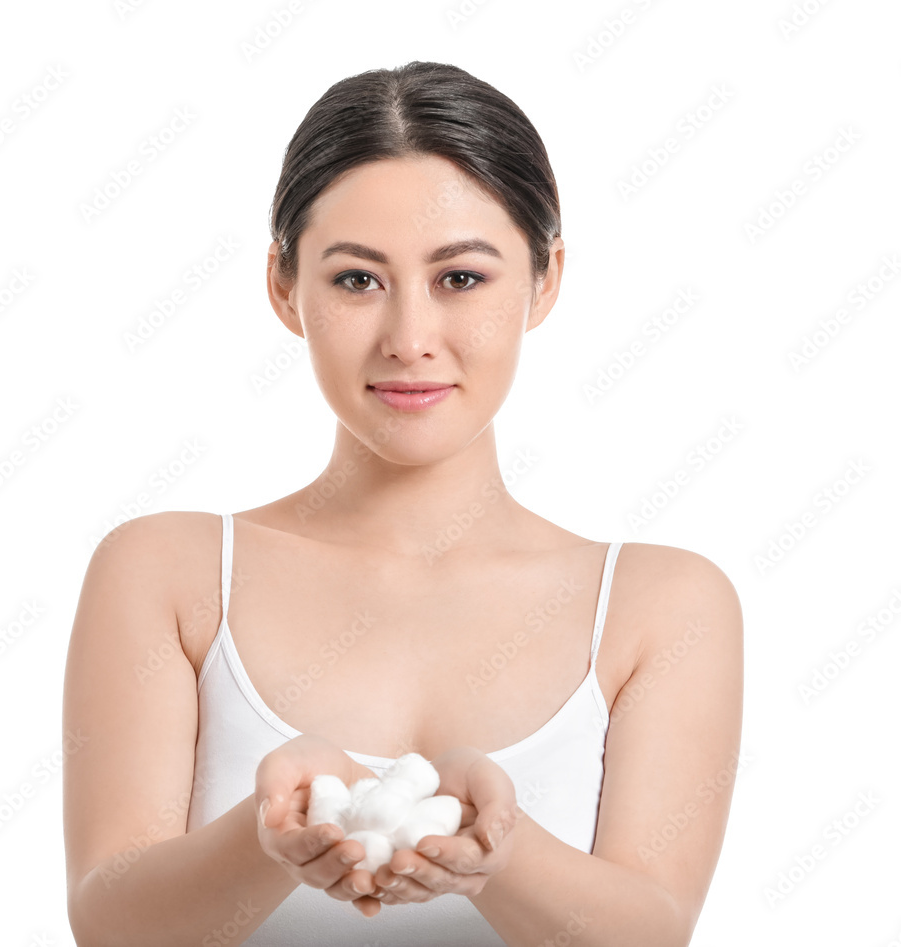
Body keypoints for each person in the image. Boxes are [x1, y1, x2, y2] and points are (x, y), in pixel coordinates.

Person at [62, 60, 743, 946]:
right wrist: (263, 839)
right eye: (357, 280)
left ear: (543, 280)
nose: (410, 339)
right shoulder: (166, 574)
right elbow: (111, 925)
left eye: (461, 278)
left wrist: (504, 858)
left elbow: (654, 930)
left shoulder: (661, 605)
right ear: (284, 286)